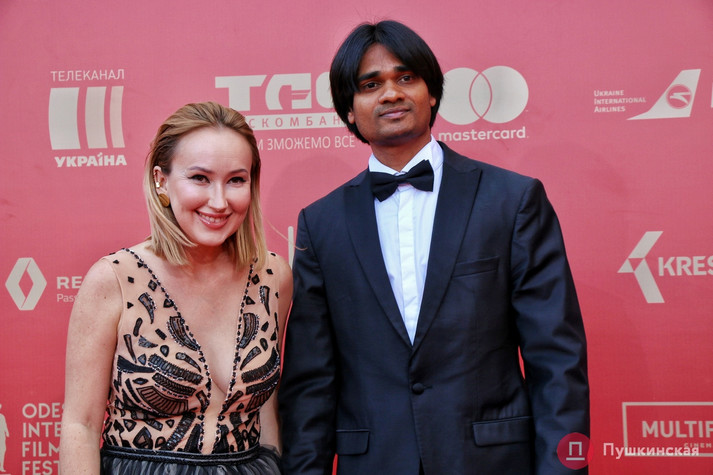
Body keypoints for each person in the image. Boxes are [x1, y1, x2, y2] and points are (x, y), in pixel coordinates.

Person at [278, 20, 589, 474]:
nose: (391, 94)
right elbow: (310, 381)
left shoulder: (512, 200)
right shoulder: (322, 223)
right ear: (349, 111)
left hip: (492, 463)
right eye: (370, 85)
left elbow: (557, 359)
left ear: (433, 94)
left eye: (406, 77)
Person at [59, 102, 292, 474]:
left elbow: (268, 409)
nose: (219, 201)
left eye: (236, 180)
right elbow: (80, 426)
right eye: (200, 178)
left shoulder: (272, 276)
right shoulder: (114, 279)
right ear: (161, 180)